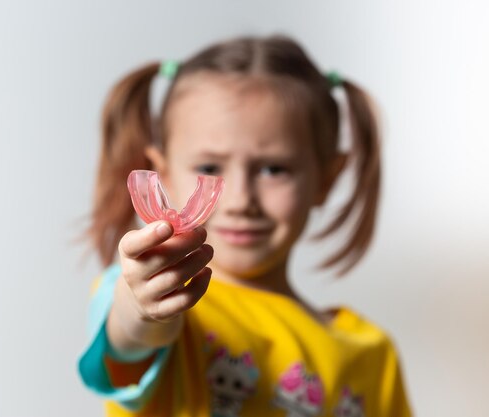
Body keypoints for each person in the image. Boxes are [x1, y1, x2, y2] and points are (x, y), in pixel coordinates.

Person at [78, 34, 412, 417]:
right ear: (163, 174)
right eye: (209, 168)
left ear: (326, 179)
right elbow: (133, 335)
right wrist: (141, 307)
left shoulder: (372, 354)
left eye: (274, 169)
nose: (240, 200)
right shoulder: (169, 305)